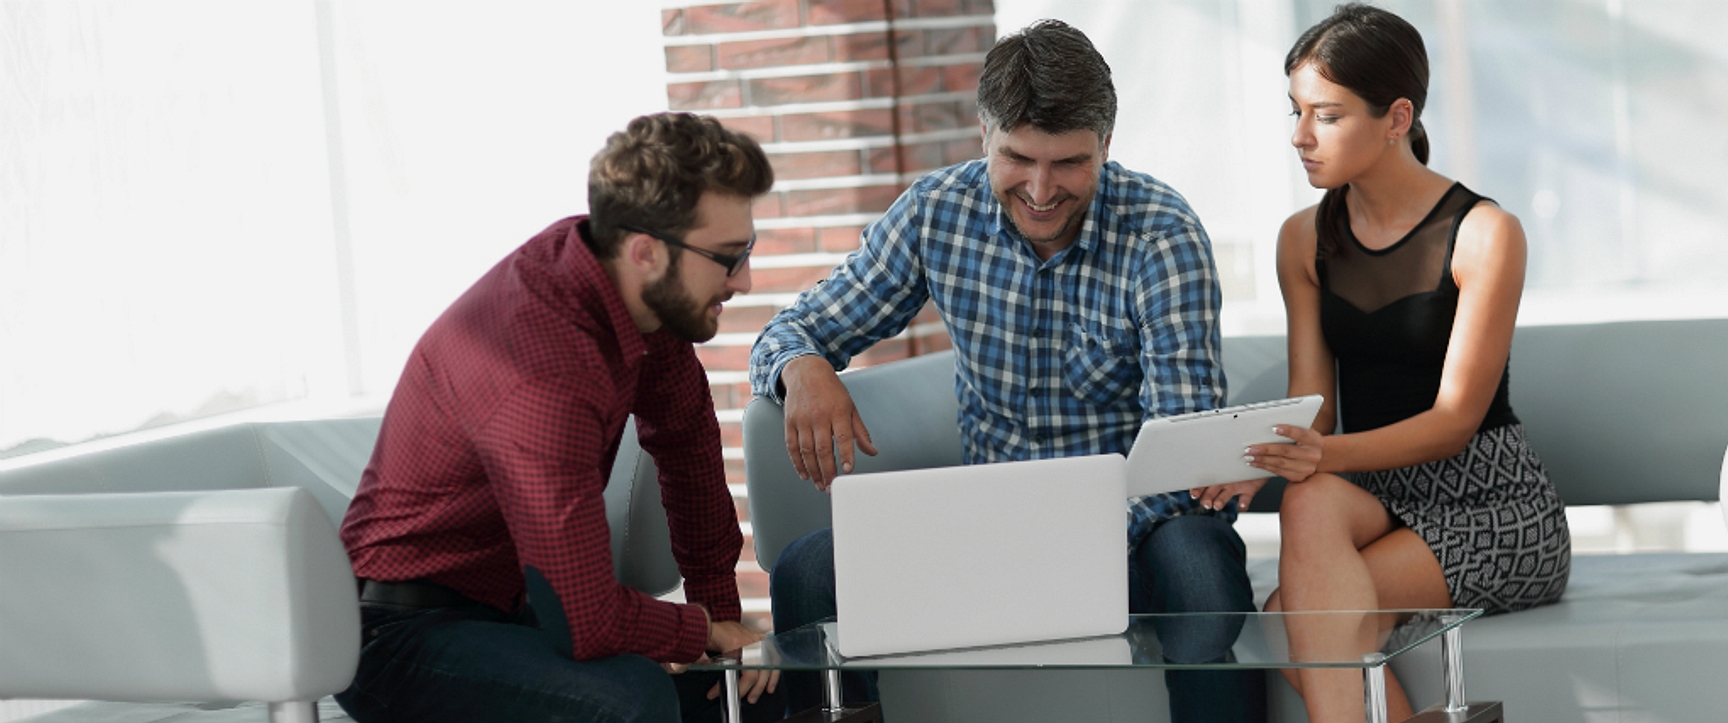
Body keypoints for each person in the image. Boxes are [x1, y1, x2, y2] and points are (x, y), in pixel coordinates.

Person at [750, 19, 1266, 723]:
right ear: (983, 136)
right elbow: (792, 328)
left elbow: (1179, 451)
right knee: (805, 572)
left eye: (1070, 163)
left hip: (1132, 528)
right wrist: (804, 365)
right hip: (983, 526)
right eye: (1019, 158)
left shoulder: (1161, 232)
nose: (1042, 189)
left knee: (1204, 569)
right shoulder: (938, 212)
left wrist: (1076, 537)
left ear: (1106, 146)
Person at [334, 112, 785, 723]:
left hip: (517, 614)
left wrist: (723, 626)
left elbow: (688, 451)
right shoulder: (536, 360)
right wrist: (698, 629)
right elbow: (585, 620)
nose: (746, 280)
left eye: (747, 251)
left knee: (750, 693)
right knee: (631, 699)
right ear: (646, 252)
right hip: (399, 633)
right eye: (729, 258)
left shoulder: (639, 296)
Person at [1193, 5, 1571, 721]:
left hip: (1492, 502)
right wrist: (1263, 456)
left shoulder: (1485, 234)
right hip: (1377, 491)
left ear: (1397, 118)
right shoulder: (1300, 240)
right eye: (1296, 111)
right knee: (1309, 501)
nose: (1300, 136)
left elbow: (1454, 422)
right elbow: (1314, 405)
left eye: (1327, 116)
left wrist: (1317, 453)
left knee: (1297, 617)